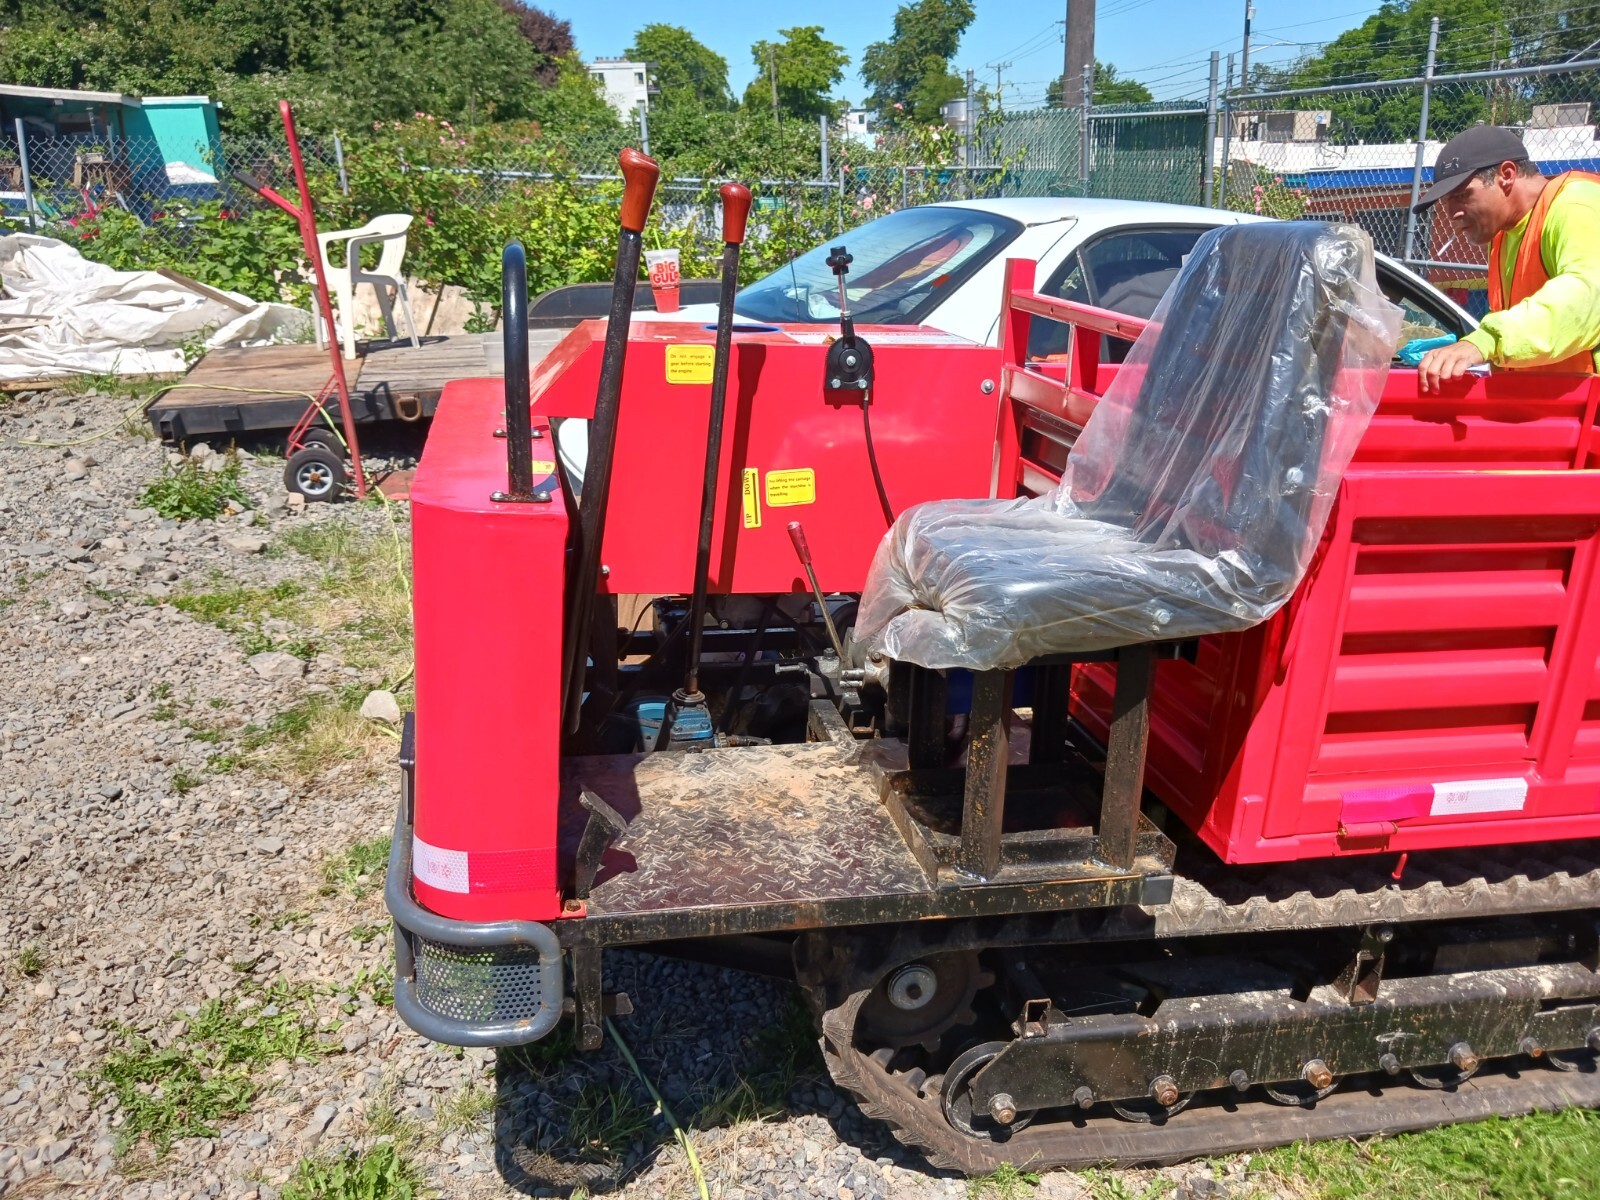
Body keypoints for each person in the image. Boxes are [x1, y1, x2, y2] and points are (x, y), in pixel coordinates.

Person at [1410, 125, 1600, 392]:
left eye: (1463, 195)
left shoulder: (1577, 204)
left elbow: (1585, 297)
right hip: (1552, 410)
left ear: (1507, 175)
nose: (1452, 213)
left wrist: (1486, 341)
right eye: (1447, 202)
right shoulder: (1503, 236)